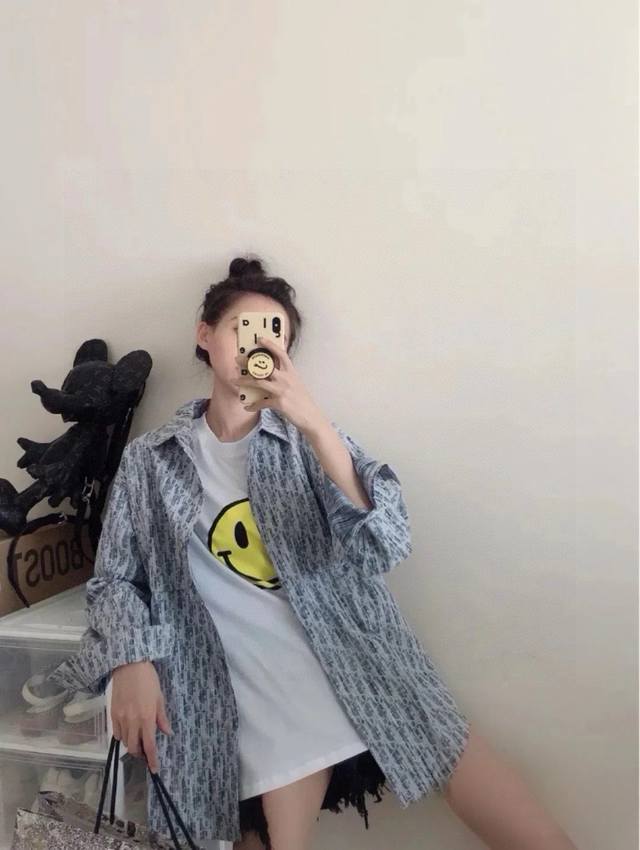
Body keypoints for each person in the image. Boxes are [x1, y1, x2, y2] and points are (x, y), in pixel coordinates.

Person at [49, 256, 580, 850]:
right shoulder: (151, 459)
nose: (259, 343)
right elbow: (116, 578)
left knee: (498, 800)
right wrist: (131, 661)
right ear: (205, 334)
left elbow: (385, 542)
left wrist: (316, 426)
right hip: (223, 686)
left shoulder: (306, 440)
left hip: (346, 654)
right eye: (244, 327)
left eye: (275, 334)